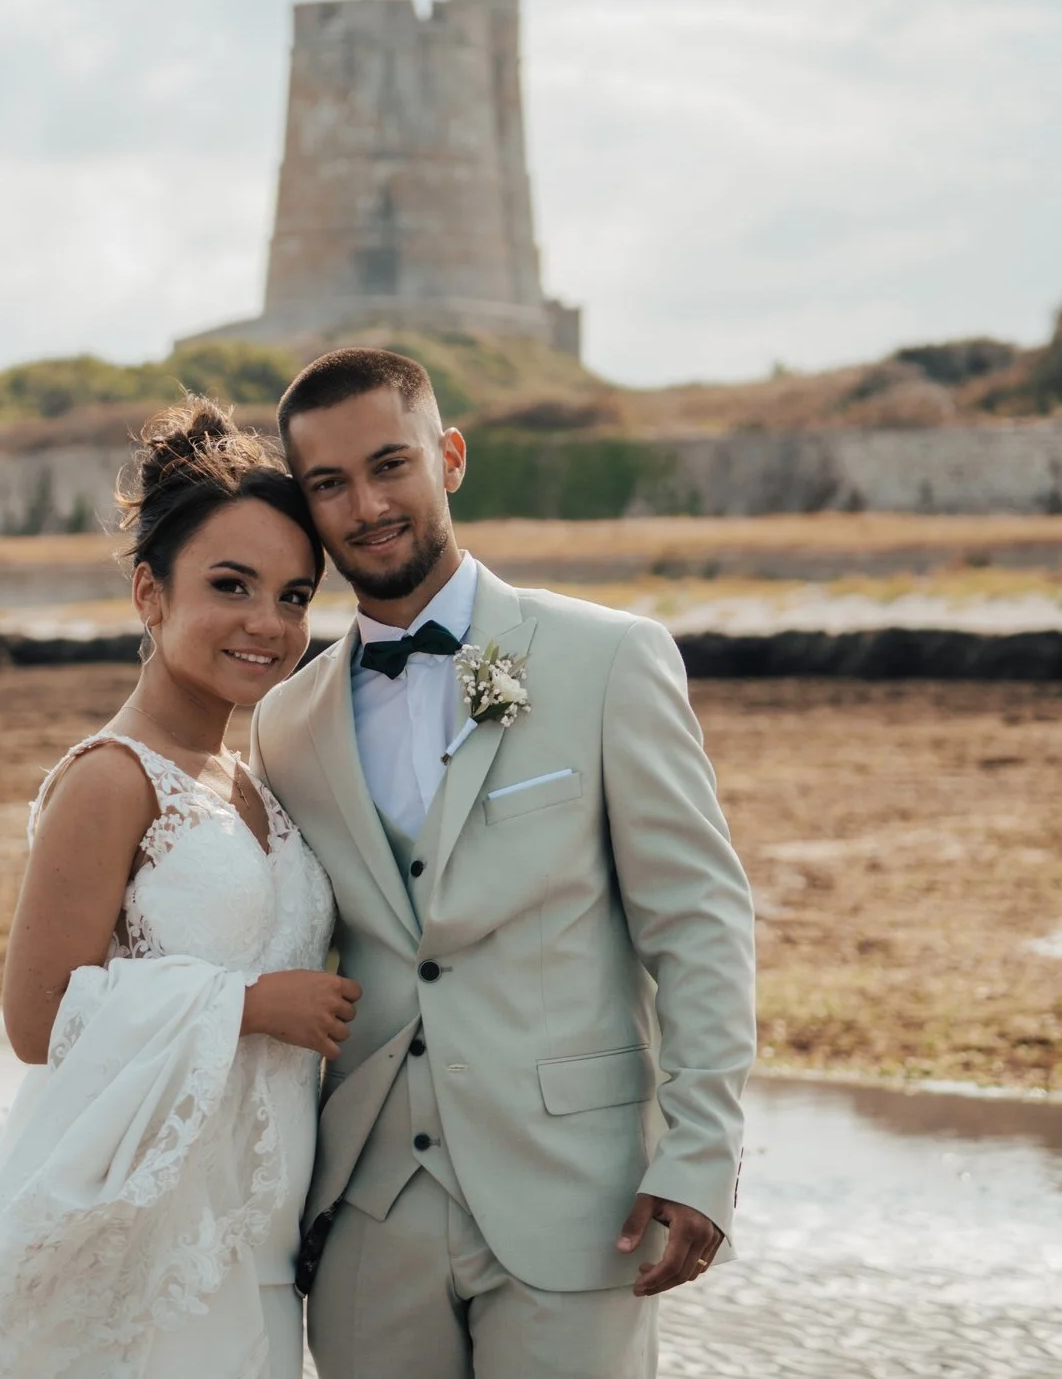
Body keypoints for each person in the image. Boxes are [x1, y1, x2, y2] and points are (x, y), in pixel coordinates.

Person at [249, 348, 756, 1379]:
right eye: (329, 483)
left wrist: (701, 1152)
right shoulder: (284, 722)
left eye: (390, 465)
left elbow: (697, 920)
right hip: (366, 1215)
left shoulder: (607, 659)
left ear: (449, 457)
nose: (366, 506)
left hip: (578, 1197)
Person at [0, 398, 353, 1379]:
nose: (268, 623)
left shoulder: (259, 785)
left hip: (253, 1239)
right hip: (137, 1239)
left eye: (294, 596)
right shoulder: (110, 779)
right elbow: (37, 1018)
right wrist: (251, 1005)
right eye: (231, 585)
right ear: (148, 592)